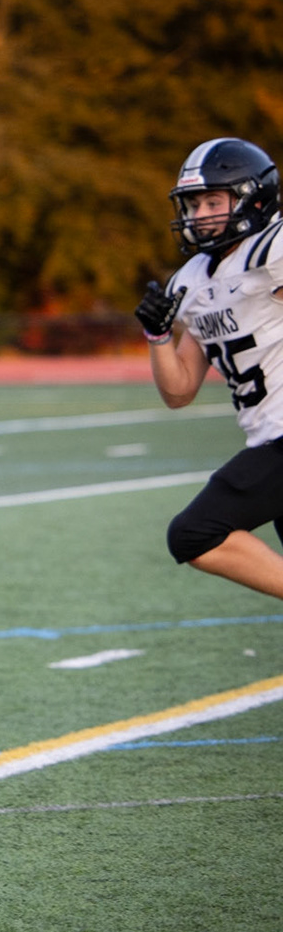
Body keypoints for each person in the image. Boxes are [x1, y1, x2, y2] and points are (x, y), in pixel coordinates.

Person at [138, 137, 283, 596]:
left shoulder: (271, 250)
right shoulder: (192, 282)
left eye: (212, 202)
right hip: (267, 436)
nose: (199, 215)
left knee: (195, 533)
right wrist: (158, 336)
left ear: (252, 198)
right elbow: (179, 391)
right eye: (193, 204)